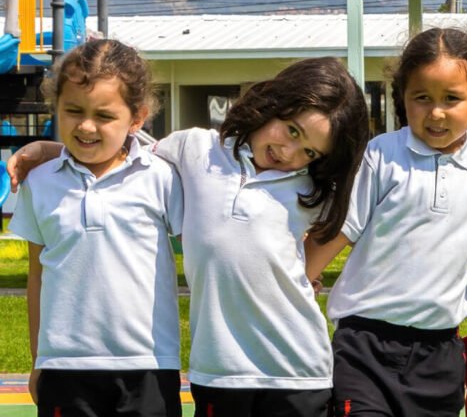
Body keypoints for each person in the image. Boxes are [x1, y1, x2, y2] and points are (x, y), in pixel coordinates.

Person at [9, 56, 370, 417]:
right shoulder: (194, 149)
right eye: (292, 131)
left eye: (310, 152)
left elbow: (345, 226)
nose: (290, 152)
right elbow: (116, 151)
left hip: (298, 373)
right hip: (218, 374)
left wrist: (304, 274)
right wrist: (52, 151)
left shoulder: (313, 189)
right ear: (275, 103)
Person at [304, 27, 467, 416]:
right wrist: (292, 284)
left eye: (452, 98)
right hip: (363, 344)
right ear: (402, 98)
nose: (436, 112)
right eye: (422, 98)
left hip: (439, 355)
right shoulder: (381, 154)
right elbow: (339, 230)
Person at [9, 39, 184, 416]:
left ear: (136, 118)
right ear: (56, 107)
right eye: (73, 110)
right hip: (64, 368)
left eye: (104, 116)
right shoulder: (39, 183)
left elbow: (205, 257)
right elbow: (37, 275)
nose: (86, 126)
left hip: (148, 364)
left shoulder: (162, 178)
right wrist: (39, 359)